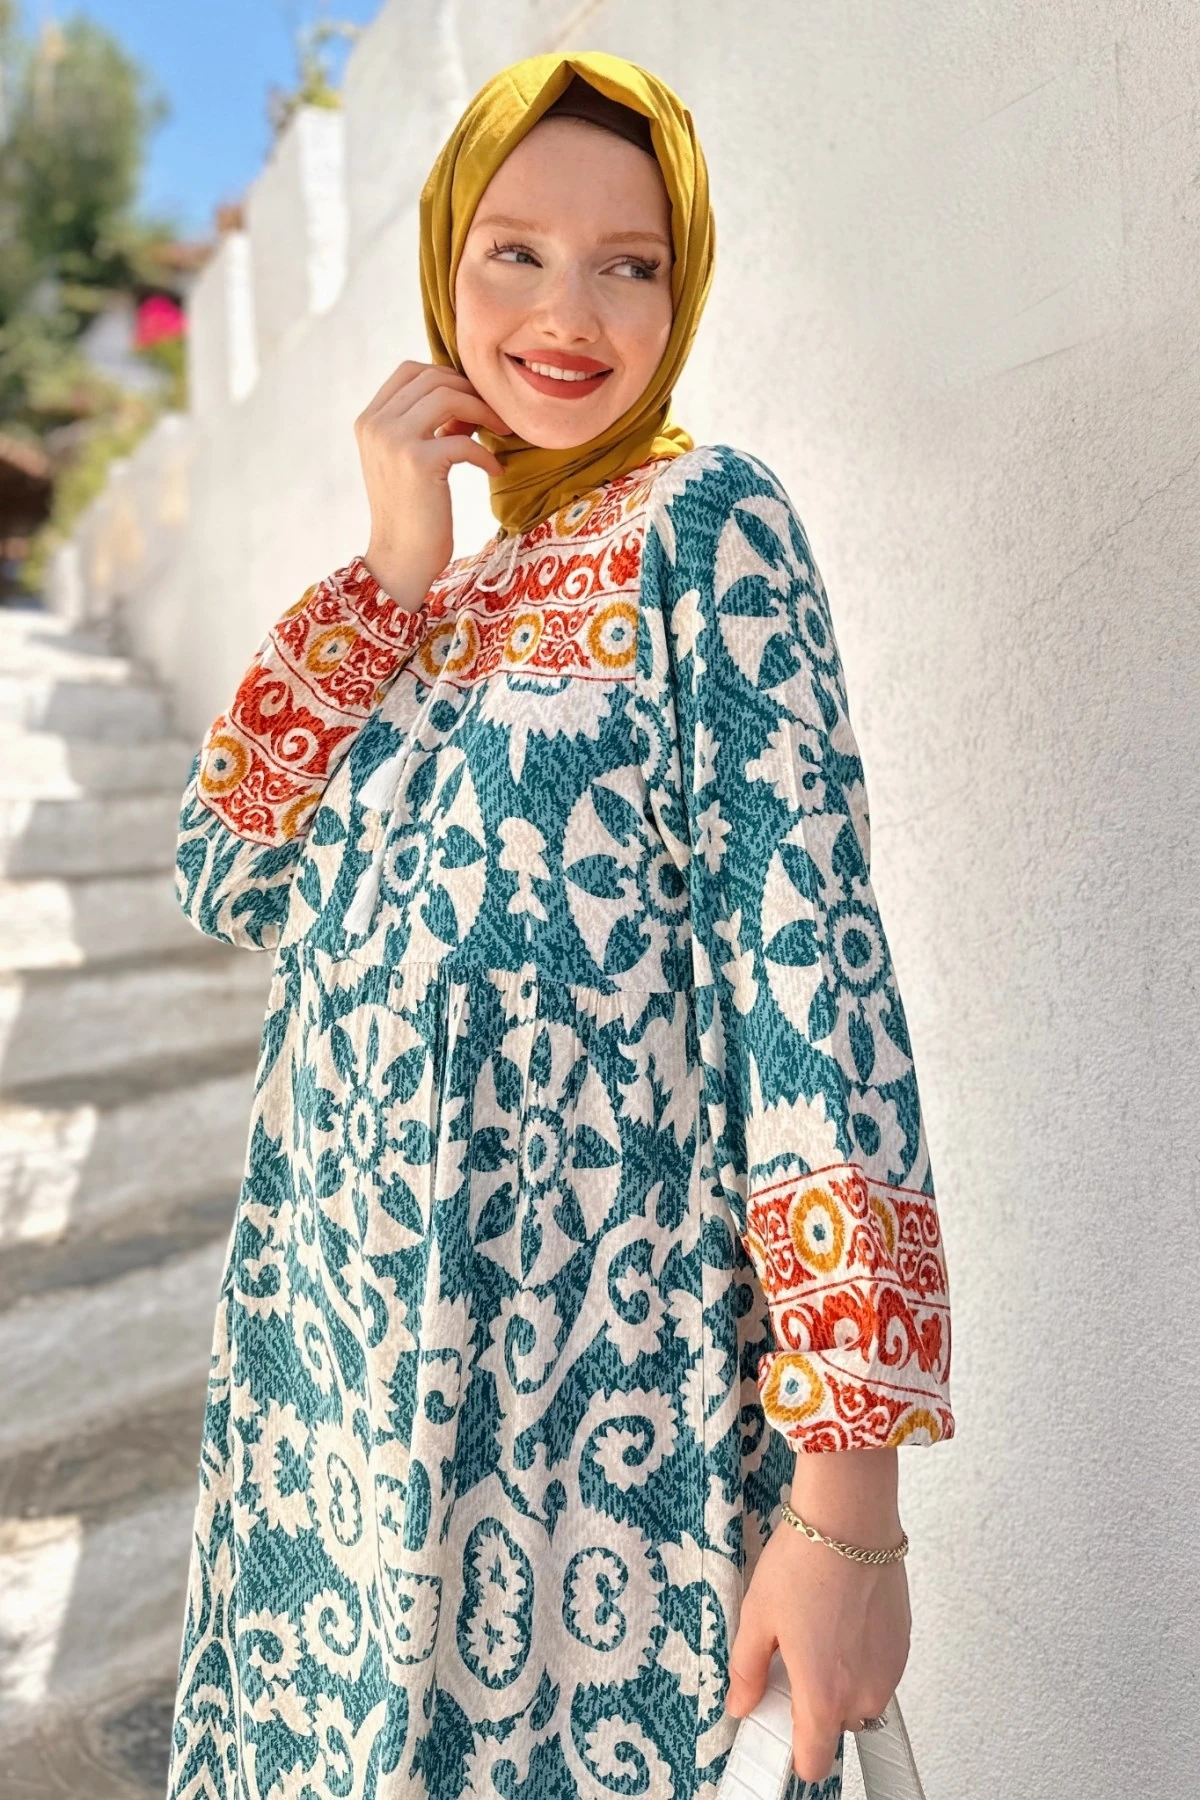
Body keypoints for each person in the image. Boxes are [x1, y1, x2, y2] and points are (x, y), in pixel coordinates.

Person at [166, 49, 954, 1800]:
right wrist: (392, 569)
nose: (570, 313)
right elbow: (225, 868)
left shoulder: (711, 531)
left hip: (586, 1447)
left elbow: (815, 1000)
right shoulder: (427, 600)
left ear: (685, 285)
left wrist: (848, 1512)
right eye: (514, 251)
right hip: (334, 1415)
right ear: (444, 263)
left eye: (630, 262)